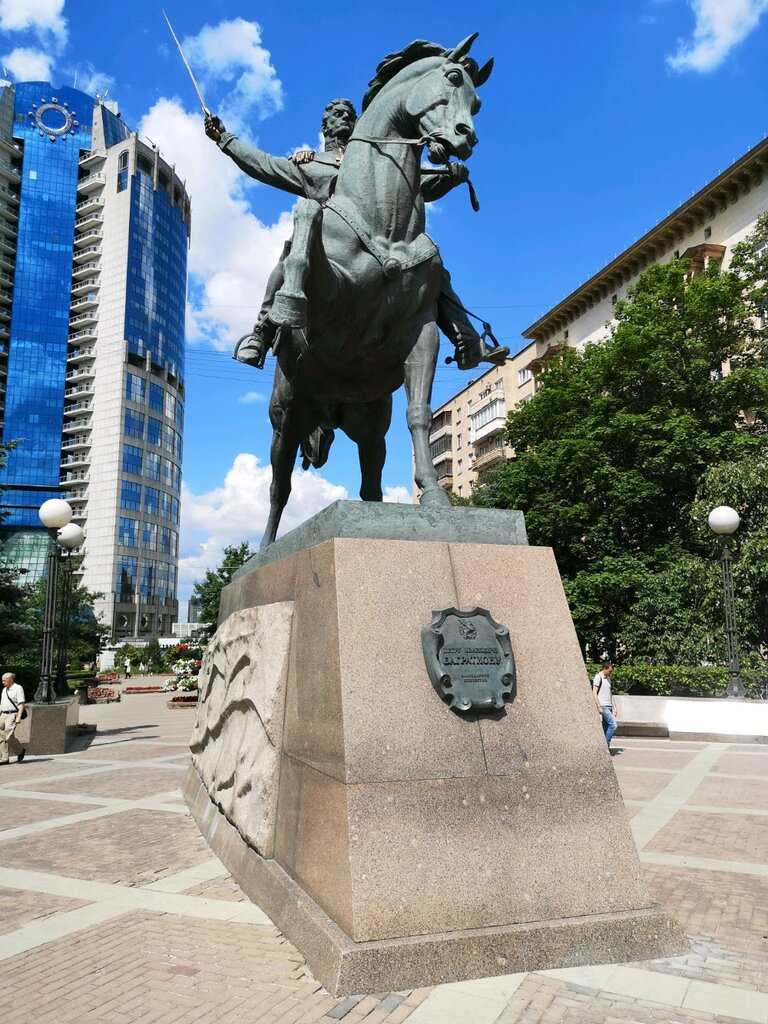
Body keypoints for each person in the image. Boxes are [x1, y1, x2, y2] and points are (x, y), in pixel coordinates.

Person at [207, 100, 503, 372]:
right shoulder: (310, 163)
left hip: (379, 245)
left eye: (350, 114)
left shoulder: (381, 167)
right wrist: (226, 139)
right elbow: (264, 165)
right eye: (338, 114)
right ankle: (261, 333)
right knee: (288, 263)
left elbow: (420, 189)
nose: (346, 117)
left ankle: (466, 339)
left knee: (430, 263)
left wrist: (450, 177)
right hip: (331, 249)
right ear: (325, 127)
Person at [0, 672, 26, 765]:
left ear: (11, 680)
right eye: (2, 680)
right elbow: (2, 703)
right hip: (3, 714)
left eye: (4, 680)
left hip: (12, 714)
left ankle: (20, 750)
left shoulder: (18, 688)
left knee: (9, 735)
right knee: (1, 737)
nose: (3, 682)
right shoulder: (4, 690)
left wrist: (18, 716)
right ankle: (4, 758)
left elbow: (21, 703)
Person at [592, 661, 617, 749]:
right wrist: (598, 706)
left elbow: (610, 693)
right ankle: (605, 746)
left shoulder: (608, 679)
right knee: (613, 725)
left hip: (609, 706)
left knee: (605, 728)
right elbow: (594, 692)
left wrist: (614, 707)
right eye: (609, 671)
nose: (610, 673)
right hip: (603, 705)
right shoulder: (598, 677)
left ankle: (602, 747)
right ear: (604, 669)